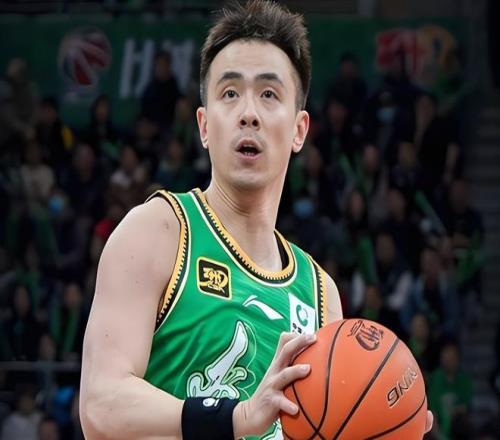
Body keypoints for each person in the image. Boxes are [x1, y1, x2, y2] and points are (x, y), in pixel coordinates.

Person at [80, 2, 432, 439]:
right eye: (230, 93)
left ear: (299, 130)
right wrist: (236, 416)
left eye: (269, 94)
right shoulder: (158, 231)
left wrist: (389, 426)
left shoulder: (320, 293)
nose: (249, 112)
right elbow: (101, 405)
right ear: (204, 126)